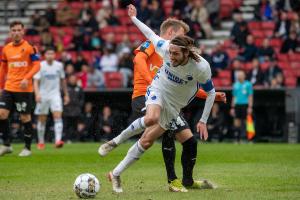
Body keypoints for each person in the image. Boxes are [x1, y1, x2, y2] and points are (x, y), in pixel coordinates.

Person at [99, 14, 226, 193]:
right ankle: (172, 180)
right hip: (148, 92)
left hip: (172, 102)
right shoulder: (161, 45)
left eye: (178, 50)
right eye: (179, 35)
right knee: (156, 124)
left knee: (172, 140)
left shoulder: (195, 64)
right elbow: (140, 55)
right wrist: (133, 17)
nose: (172, 55)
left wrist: (207, 104)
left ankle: (117, 173)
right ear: (171, 33)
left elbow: (188, 87)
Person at [0, 21, 40, 157]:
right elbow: (3, 68)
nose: (16, 32)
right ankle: (7, 145)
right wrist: (1, 86)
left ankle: (27, 148)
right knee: (1, 114)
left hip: (24, 89)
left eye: (18, 30)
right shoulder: (6, 49)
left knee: (25, 117)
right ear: (10, 32)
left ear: (23, 32)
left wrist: (26, 78)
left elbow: (37, 66)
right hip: (9, 87)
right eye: (14, 30)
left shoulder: (30, 47)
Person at [34, 47, 70, 149]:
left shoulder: (59, 65)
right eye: (48, 54)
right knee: (42, 119)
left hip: (55, 95)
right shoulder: (40, 65)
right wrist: (37, 94)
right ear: (45, 55)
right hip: (43, 95)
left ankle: (58, 141)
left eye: (52, 53)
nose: (50, 55)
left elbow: (63, 80)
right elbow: (36, 81)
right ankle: (41, 142)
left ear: (55, 55)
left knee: (58, 116)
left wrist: (66, 94)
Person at [230, 70, 253, 143]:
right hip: (237, 105)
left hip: (245, 105)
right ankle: (237, 139)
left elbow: (250, 96)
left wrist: (250, 107)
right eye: (238, 75)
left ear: (244, 76)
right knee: (237, 122)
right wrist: (232, 108)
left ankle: (250, 139)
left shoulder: (248, 84)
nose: (239, 76)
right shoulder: (235, 85)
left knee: (248, 122)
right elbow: (234, 97)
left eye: (241, 75)